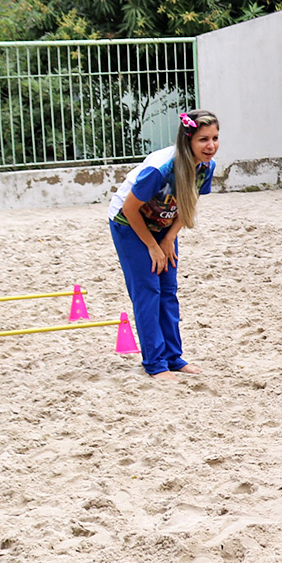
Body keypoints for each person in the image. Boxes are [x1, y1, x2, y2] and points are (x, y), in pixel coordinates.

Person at [107, 110, 218, 377]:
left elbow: (188, 203)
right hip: (129, 224)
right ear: (188, 140)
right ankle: (155, 364)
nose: (211, 146)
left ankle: (173, 357)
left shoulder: (207, 166)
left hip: (163, 226)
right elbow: (130, 209)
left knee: (168, 289)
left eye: (215, 138)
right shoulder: (160, 169)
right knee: (148, 290)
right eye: (203, 139)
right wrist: (152, 246)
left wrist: (169, 238)